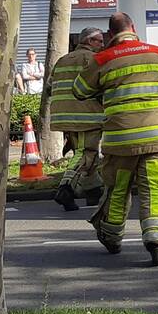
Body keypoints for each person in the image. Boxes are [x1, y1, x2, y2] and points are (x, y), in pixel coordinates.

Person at [73, 12, 158, 266]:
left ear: (110, 34)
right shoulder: (156, 52)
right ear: (133, 28)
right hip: (156, 139)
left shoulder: (102, 58)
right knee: (154, 189)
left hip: (120, 142)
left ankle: (111, 237)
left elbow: (79, 91)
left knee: (118, 190)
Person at [47, 27, 106, 211]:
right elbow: (102, 86)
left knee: (83, 153)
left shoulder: (62, 60)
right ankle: (66, 188)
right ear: (90, 41)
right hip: (87, 116)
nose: (102, 44)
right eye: (100, 41)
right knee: (86, 153)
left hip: (64, 116)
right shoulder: (93, 60)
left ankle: (93, 191)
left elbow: (50, 87)